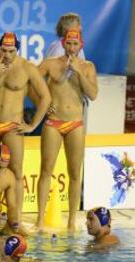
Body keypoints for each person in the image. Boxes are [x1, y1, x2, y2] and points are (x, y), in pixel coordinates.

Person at [0, 32, 51, 233]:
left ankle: (15, 221)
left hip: (13, 126)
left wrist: (33, 125)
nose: (7, 55)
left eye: (11, 51)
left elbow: (45, 97)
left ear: (17, 49)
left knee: (16, 173)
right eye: (3, 50)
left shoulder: (27, 67)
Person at [35, 28, 98, 232]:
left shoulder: (88, 67)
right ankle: (40, 221)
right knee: (46, 171)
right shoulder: (51, 64)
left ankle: (71, 221)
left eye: (75, 44)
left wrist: (79, 72)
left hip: (75, 124)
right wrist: (41, 103)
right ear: (63, 44)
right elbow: (29, 82)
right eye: (69, 44)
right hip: (53, 122)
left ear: (81, 46)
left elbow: (93, 94)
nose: (72, 48)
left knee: (74, 173)